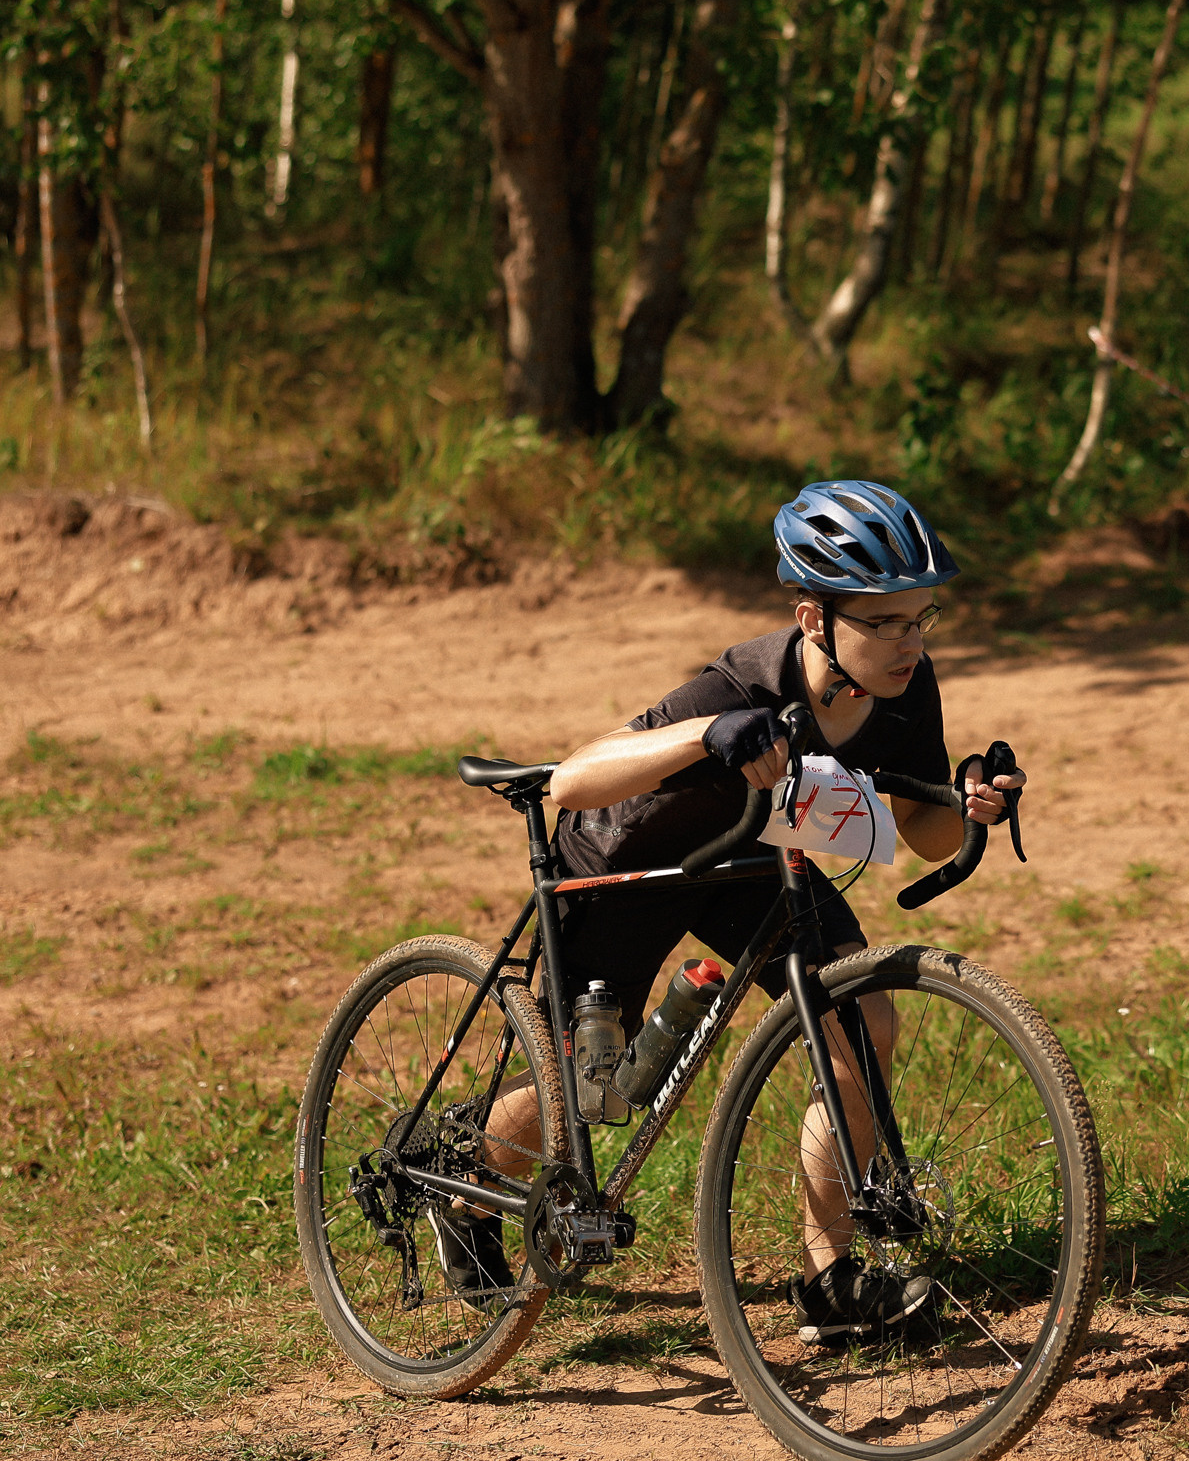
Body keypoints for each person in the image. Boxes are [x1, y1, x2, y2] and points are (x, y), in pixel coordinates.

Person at [434, 480, 1026, 1344]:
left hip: (752, 858)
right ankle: (464, 1182)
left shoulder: (905, 686)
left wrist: (969, 800)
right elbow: (572, 780)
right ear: (814, 618)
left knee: (863, 1021)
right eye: (885, 622)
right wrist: (707, 736)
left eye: (921, 618)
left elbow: (925, 834)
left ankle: (831, 1282)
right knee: (582, 1093)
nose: (909, 643)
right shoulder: (743, 680)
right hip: (630, 851)